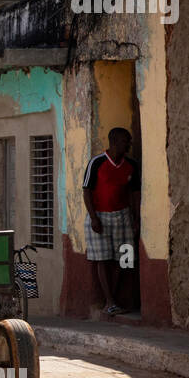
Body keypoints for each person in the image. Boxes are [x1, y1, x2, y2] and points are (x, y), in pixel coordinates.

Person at [82, 127, 141, 316]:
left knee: (125, 258)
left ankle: (116, 298)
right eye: (126, 141)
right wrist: (93, 218)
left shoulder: (131, 165)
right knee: (103, 259)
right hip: (100, 216)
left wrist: (136, 218)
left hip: (123, 215)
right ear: (114, 142)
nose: (129, 145)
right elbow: (87, 191)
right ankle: (109, 301)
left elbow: (134, 193)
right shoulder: (97, 163)